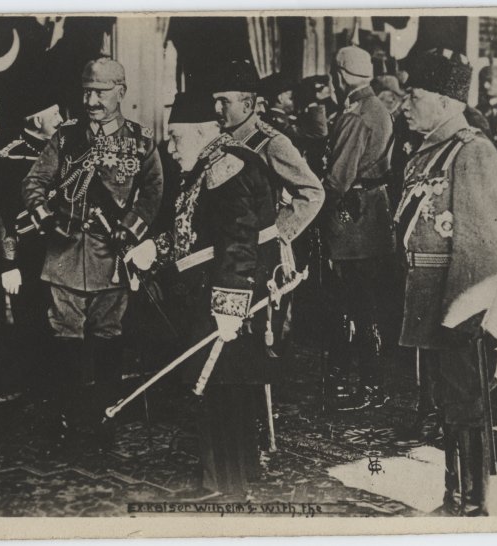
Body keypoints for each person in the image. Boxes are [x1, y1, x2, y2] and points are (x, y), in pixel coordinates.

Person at [396, 48, 497, 515]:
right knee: (448, 404)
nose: (404, 105)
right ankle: (453, 497)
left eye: (413, 95)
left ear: (446, 101)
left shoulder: (473, 152)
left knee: (468, 407)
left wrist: (466, 315)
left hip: (463, 305)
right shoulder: (432, 150)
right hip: (435, 301)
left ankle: (473, 508)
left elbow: (481, 245)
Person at [141, 91, 278, 499]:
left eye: (176, 138)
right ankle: (226, 477)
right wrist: (156, 248)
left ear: (202, 132)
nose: (169, 147)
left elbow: (239, 240)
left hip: (226, 299)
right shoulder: (207, 164)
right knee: (220, 389)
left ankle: (227, 487)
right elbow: (195, 231)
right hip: (209, 294)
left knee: (223, 391)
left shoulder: (228, 168)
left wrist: (228, 308)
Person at [21, 58, 163, 450]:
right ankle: (66, 418)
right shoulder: (66, 138)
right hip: (65, 256)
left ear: (121, 91)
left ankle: (105, 415)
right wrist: (45, 216)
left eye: (100, 92)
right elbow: (34, 181)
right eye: (86, 91)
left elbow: (153, 193)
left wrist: (130, 227)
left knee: (108, 337)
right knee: (63, 336)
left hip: (111, 256)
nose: (91, 100)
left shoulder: (140, 140)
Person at [211, 60, 324, 362]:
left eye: (225, 101)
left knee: (262, 334)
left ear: (248, 103)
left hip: (265, 255)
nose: (218, 109)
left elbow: (313, 191)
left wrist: (278, 232)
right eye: (215, 101)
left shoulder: (272, 142)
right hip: (230, 252)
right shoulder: (219, 141)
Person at [319, 45, 395, 411]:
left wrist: (319, 213)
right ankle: (371, 384)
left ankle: (368, 385)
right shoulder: (379, 108)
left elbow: (337, 180)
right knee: (367, 303)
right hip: (374, 213)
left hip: (352, 218)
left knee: (351, 304)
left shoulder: (356, 115)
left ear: (340, 76)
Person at [0, 94, 63, 401]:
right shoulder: (9, 158)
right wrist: (8, 264)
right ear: (36, 120)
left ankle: (59, 397)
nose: (61, 119)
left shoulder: (64, 150)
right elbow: (0, 216)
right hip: (28, 259)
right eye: (55, 113)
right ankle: (38, 400)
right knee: (32, 329)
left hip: (62, 256)